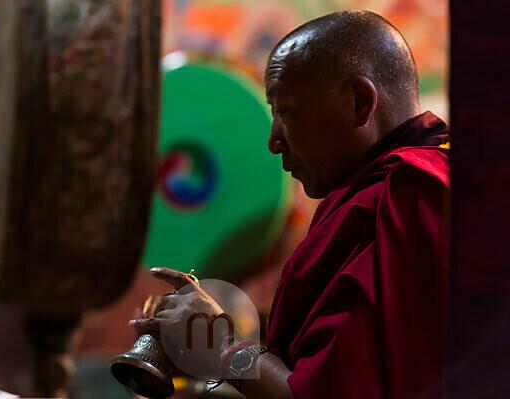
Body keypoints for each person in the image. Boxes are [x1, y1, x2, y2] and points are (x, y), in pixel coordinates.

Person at [130, 10, 450, 399]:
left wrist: (223, 347)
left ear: (360, 102)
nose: (273, 140)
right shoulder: (390, 187)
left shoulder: (410, 196)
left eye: (287, 113)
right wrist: (203, 344)